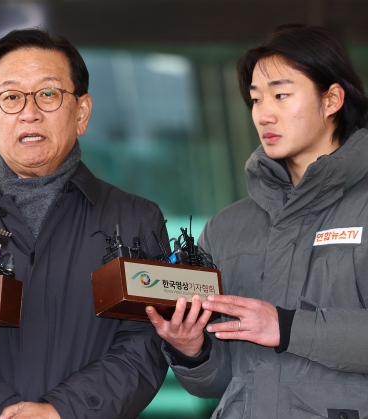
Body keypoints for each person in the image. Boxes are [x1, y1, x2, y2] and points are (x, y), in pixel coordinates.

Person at [0, 29, 169, 419]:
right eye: (11, 97)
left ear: (82, 113)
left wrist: (61, 411)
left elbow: (145, 344)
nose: (29, 112)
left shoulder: (137, 220)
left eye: (48, 94)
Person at [147, 24, 368, 419]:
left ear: (332, 98)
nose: (264, 114)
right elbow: (215, 383)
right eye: (255, 100)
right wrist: (191, 349)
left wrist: (287, 327)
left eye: (282, 95)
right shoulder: (226, 228)